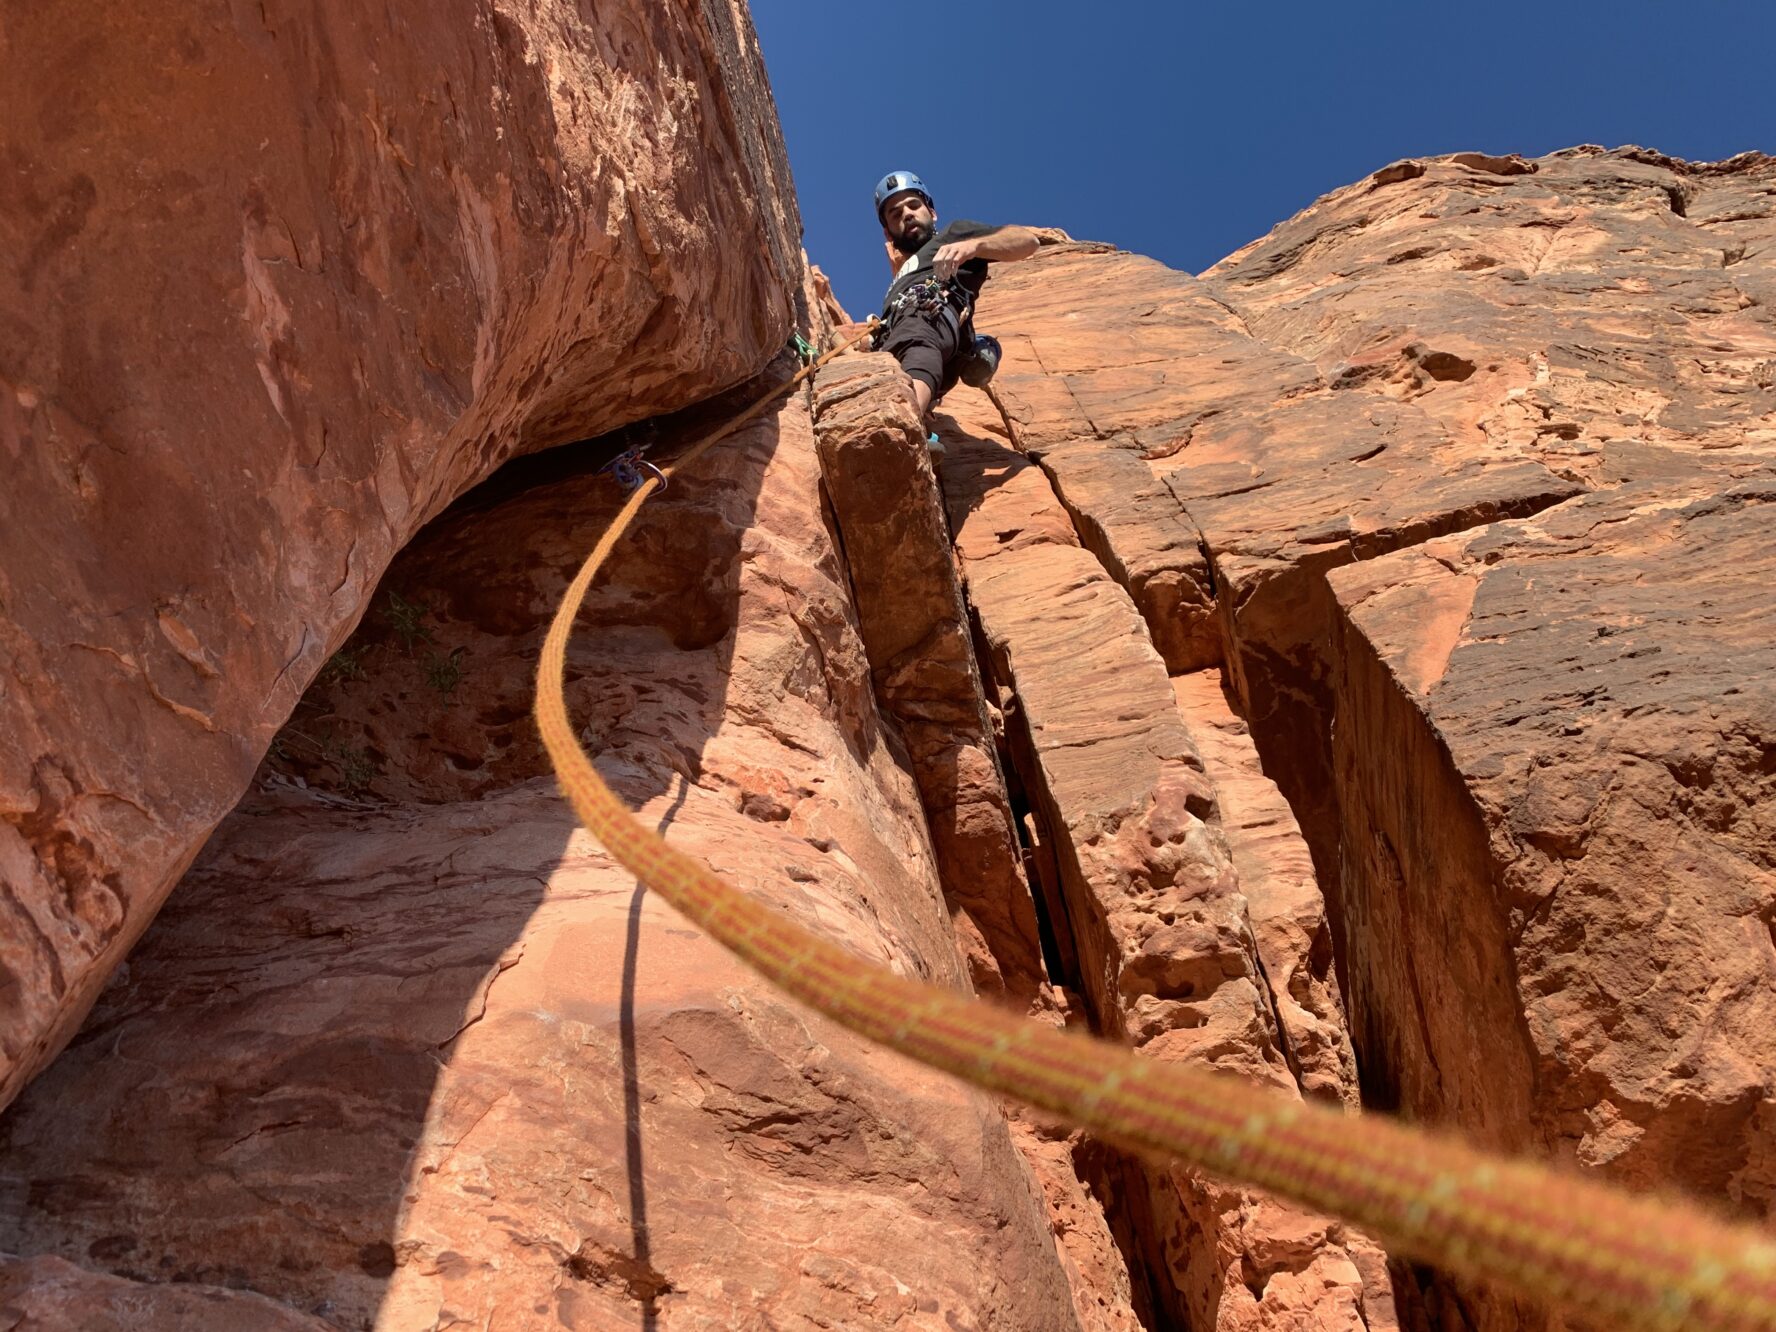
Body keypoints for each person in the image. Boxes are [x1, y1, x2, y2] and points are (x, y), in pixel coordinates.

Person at [844, 171, 1042, 425]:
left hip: (929, 319)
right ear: (888, 234)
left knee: (917, 340)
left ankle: (904, 425)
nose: (907, 213)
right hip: (900, 337)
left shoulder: (954, 234)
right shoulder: (901, 275)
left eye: (914, 205)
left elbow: (1028, 241)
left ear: (932, 212)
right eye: (896, 213)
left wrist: (974, 246)